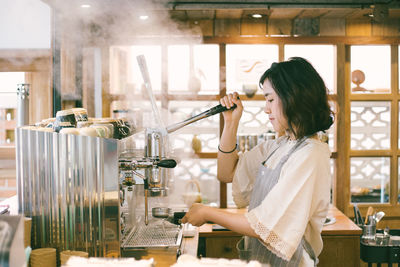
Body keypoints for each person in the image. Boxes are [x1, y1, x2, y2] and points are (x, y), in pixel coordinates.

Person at [181, 57, 334, 266]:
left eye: (270, 99)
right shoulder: (278, 146)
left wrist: (208, 212)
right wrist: (230, 123)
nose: (266, 109)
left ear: (294, 98)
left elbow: (264, 226)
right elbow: (226, 173)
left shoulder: (310, 155)